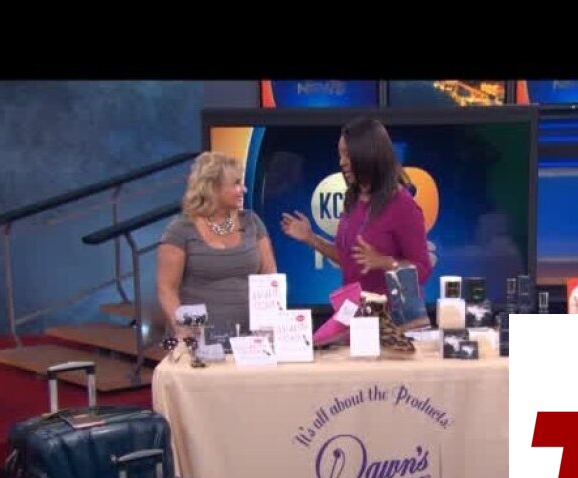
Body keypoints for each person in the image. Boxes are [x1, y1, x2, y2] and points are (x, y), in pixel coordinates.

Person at [280, 117, 431, 297]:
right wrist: (310, 238)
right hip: (355, 308)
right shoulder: (353, 199)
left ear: (368, 154)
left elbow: (423, 270)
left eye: (347, 155)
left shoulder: (402, 205)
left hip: (390, 312)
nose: (341, 162)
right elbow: (348, 260)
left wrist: (384, 262)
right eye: (340, 155)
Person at [157, 151, 277, 340]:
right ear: (212, 188)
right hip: (197, 341)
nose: (244, 189)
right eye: (236, 183)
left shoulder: (252, 222)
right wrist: (184, 331)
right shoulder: (180, 230)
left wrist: (269, 328)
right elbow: (167, 289)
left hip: (249, 341)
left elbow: (269, 277)